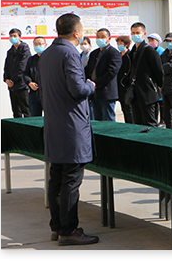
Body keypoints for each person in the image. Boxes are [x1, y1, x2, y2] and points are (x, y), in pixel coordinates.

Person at [37, 13, 98, 245]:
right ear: (77, 33)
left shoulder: (47, 54)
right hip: (72, 126)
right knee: (71, 180)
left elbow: (42, 92)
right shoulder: (70, 53)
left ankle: (57, 227)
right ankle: (68, 230)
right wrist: (90, 85)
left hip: (54, 124)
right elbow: (77, 90)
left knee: (56, 178)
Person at [127, 22, 164, 126]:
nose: (135, 35)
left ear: (144, 34)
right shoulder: (132, 52)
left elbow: (159, 71)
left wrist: (158, 85)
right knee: (137, 124)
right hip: (134, 93)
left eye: (138, 33)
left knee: (150, 123)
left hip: (147, 93)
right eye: (133, 33)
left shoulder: (149, 51)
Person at [85, 28, 122, 122]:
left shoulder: (114, 53)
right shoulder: (94, 53)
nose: (100, 39)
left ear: (109, 39)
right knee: (97, 120)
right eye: (98, 37)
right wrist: (88, 81)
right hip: (94, 92)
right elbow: (88, 69)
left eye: (103, 37)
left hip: (106, 92)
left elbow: (111, 72)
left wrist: (96, 83)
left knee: (108, 119)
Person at [4, 28, 31, 118]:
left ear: (20, 37)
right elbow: (6, 66)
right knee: (16, 111)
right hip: (12, 86)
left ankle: (28, 127)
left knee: (26, 110)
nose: (13, 38)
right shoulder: (10, 51)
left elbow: (22, 67)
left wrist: (13, 80)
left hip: (22, 84)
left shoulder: (25, 49)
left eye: (15, 36)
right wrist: (6, 79)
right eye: (11, 36)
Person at [25, 36, 47, 117]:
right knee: (34, 117)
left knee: (50, 116)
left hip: (47, 93)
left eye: (40, 44)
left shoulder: (50, 58)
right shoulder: (31, 60)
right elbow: (25, 73)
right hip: (34, 93)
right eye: (36, 44)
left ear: (45, 45)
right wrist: (30, 83)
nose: (38, 46)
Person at [115, 35, 134, 124]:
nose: (119, 44)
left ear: (126, 44)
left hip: (127, 85)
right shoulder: (118, 55)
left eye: (121, 43)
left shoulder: (129, 55)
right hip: (119, 86)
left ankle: (131, 126)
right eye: (118, 43)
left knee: (129, 109)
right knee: (124, 109)